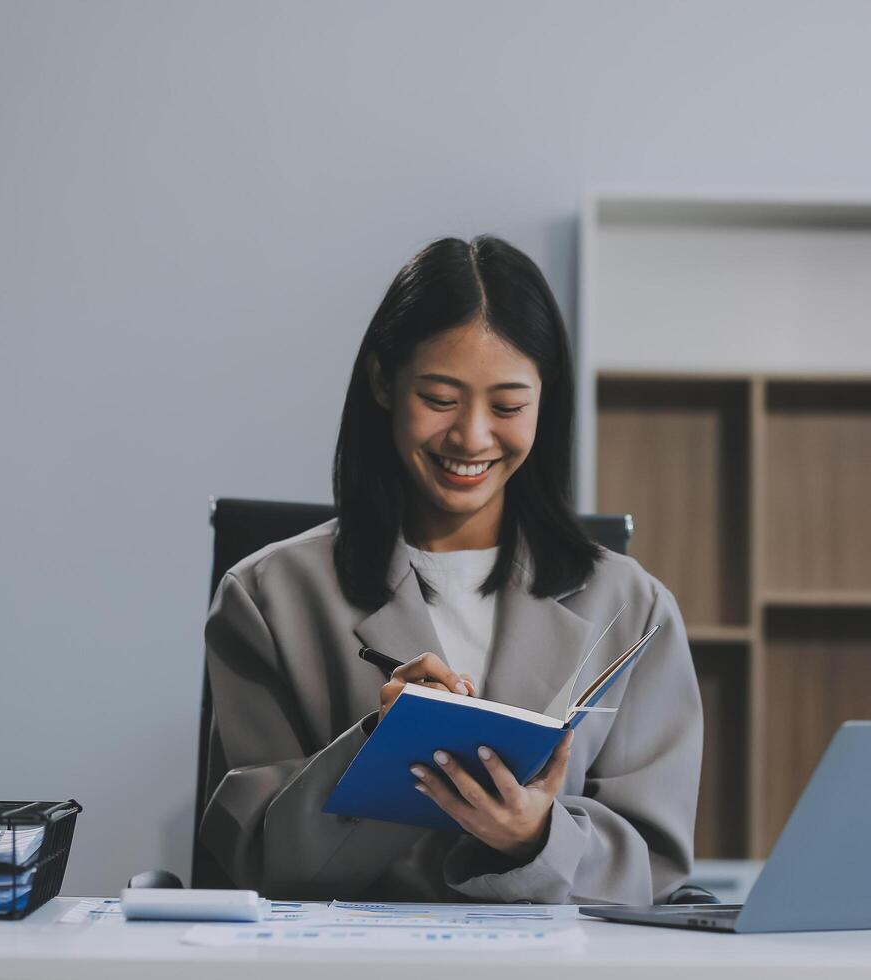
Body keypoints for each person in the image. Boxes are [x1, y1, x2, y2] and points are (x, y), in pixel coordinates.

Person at [199, 235, 702, 904]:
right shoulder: (266, 598)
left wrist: (536, 839)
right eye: (439, 398)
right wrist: (378, 749)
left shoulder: (632, 606)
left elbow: (655, 868)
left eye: (508, 406)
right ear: (384, 381)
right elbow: (254, 860)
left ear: (545, 403)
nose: (471, 437)